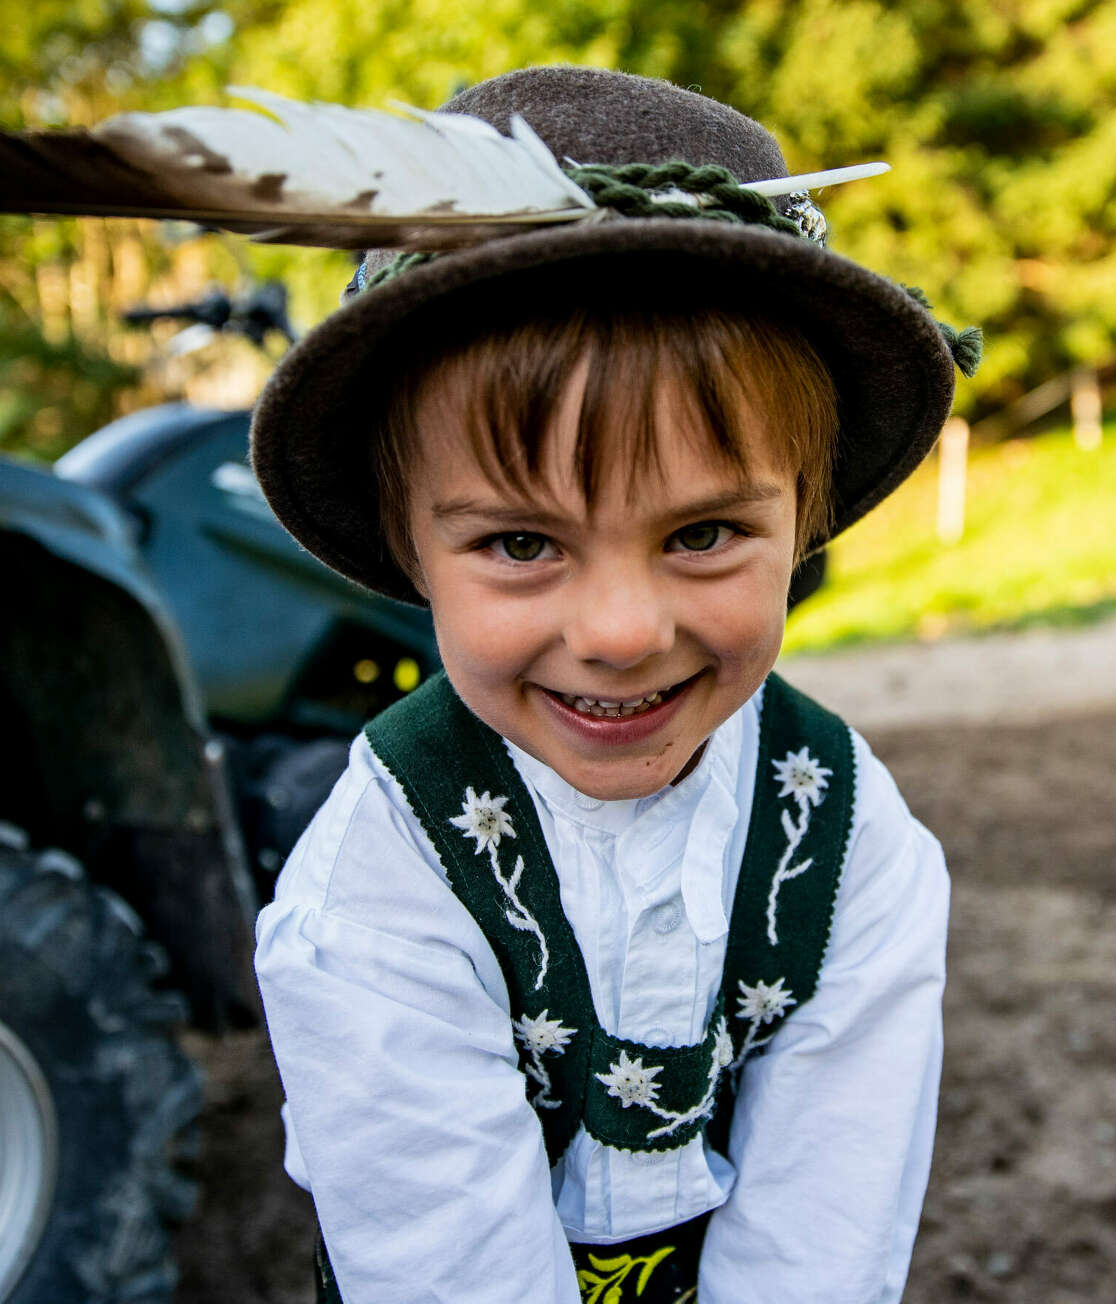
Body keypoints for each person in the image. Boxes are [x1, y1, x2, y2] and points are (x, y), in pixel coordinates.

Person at [248, 64, 980, 1304]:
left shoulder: (851, 842)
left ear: (804, 521)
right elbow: (452, 1270)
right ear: (409, 545)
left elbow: (824, 1242)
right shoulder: (382, 880)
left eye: (702, 534)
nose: (625, 631)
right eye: (521, 544)